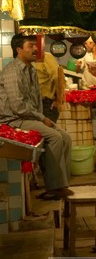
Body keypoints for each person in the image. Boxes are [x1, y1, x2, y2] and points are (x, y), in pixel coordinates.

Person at [0, 33, 72, 199]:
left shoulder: (31, 69)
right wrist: (41, 118)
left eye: (35, 45)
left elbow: (36, 100)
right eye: (30, 46)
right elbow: (17, 106)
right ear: (19, 50)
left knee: (66, 137)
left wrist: (41, 117)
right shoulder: (12, 71)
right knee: (54, 137)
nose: (35, 49)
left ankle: (63, 183)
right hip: (13, 120)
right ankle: (54, 187)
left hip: (28, 118)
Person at [34, 51, 65, 123]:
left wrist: (58, 99)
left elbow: (58, 77)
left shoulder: (45, 57)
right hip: (31, 105)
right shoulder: (27, 59)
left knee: (49, 132)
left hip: (46, 104)